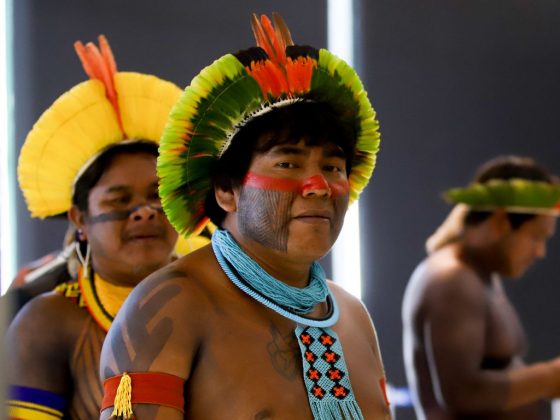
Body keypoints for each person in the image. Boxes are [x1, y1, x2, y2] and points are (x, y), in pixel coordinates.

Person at [100, 13, 391, 420]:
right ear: (226, 190)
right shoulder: (172, 305)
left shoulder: (353, 316)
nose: (318, 186)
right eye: (288, 165)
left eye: (332, 167)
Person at [5, 36, 182, 419]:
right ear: (79, 220)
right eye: (120, 201)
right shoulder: (47, 323)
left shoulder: (224, 300)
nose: (145, 212)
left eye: (158, 195)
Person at [402, 155, 560, 419]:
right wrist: (550, 377)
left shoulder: (480, 275)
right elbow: (463, 394)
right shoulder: (452, 279)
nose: (540, 251)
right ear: (501, 222)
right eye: (536, 237)